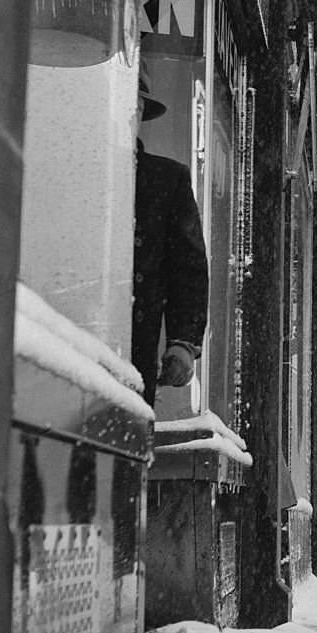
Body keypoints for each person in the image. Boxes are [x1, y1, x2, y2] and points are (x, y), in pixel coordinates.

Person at [131, 69, 209, 407]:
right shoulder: (71, 166)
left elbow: (188, 268)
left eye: (134, 106)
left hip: (132, 349)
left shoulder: (165, 180)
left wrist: (183, 343)